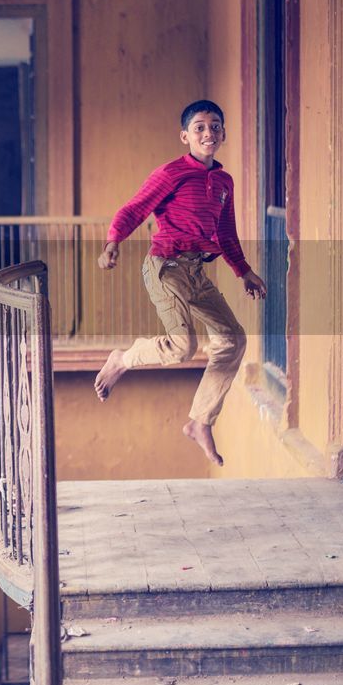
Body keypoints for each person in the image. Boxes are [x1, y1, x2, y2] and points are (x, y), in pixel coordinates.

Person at [92, 100, 266, 466]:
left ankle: (200, 421)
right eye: (200, 127)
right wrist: (112, 244)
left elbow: (225, 233)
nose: (209, 133)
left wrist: (244, 271)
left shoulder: (223, 181)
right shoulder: (171, 173)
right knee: (182, 347)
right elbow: (133, 210)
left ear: (224, 133)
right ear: (185, 136)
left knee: (233, 339)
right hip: (165, 267)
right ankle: (122, 359)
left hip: (196, 272)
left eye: (215, 126)